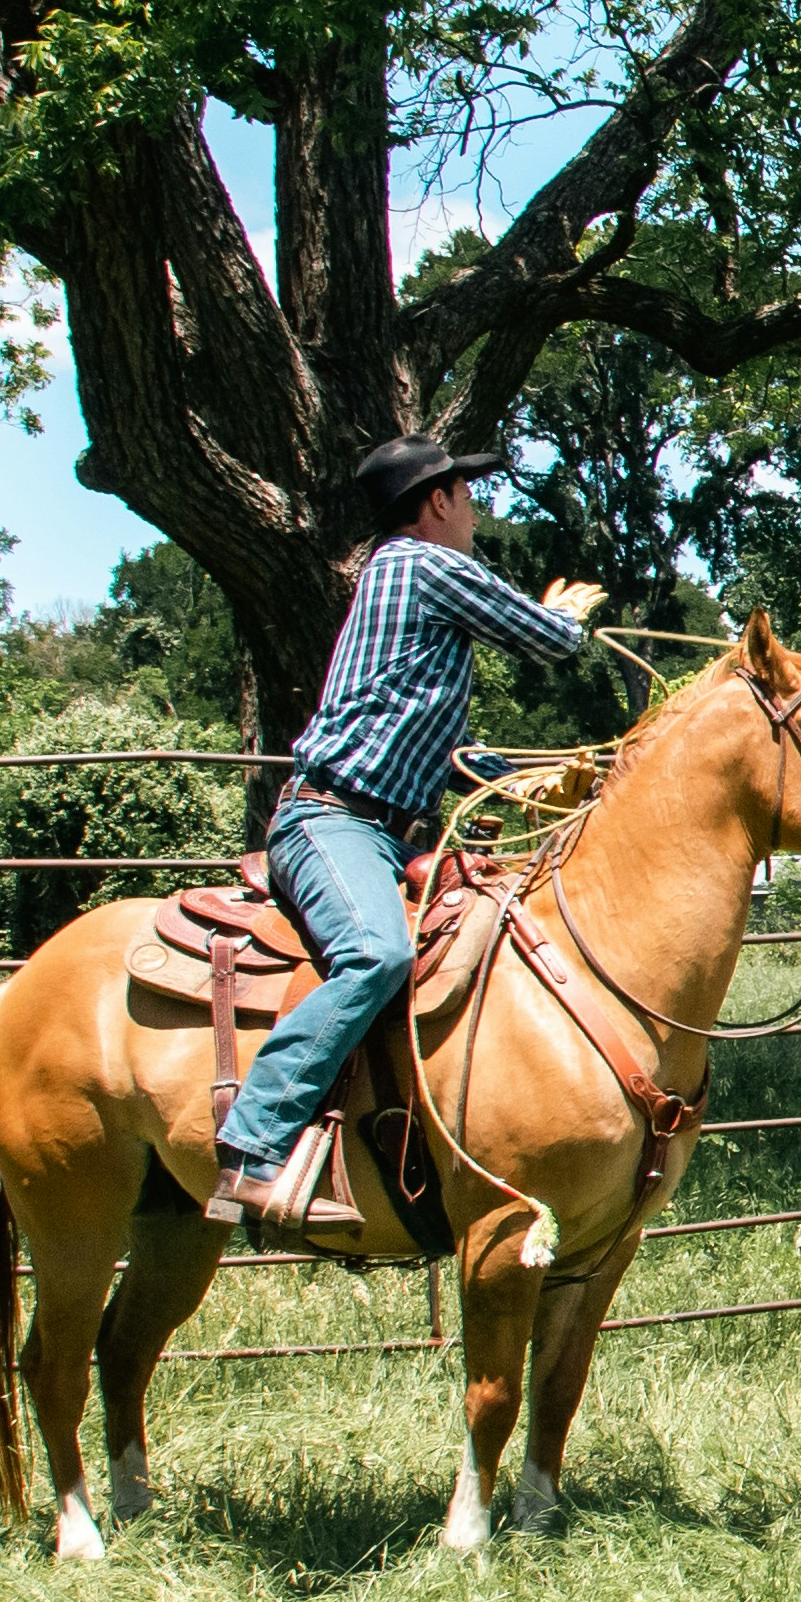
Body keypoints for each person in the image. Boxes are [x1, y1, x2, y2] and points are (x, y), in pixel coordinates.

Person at [205, 435, 608, 1233]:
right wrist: (560, 618)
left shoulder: (396, 581)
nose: (476, 513)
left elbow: (419, 738)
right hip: (331, 820)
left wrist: (513, 777)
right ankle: (250, 1148)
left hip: (378, 825)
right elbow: (549, 641)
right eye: (468, 495)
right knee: (377, 954)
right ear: (437, 502)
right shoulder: (424, 566)